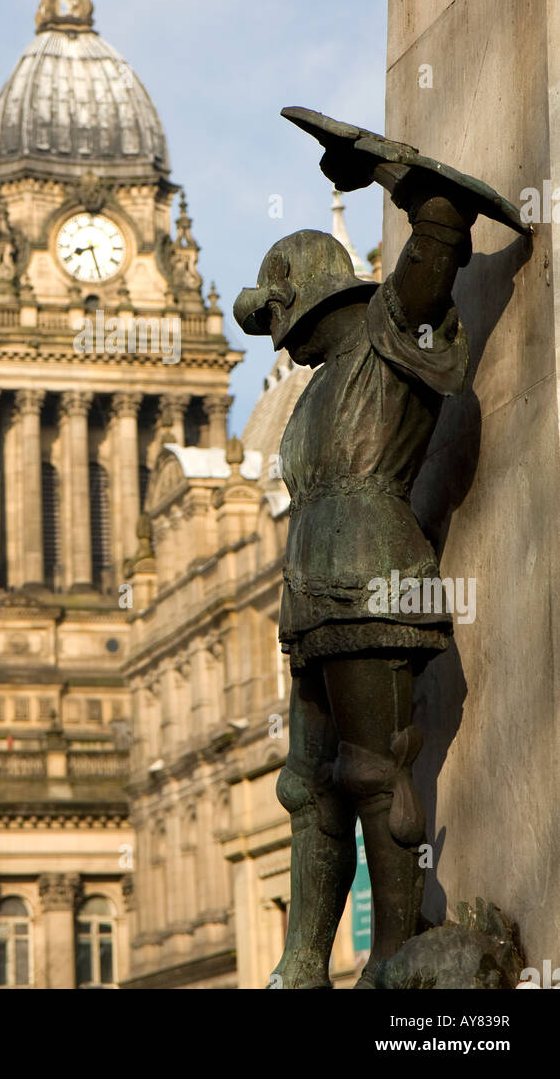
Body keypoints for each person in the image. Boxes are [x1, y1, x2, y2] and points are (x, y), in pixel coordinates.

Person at [234, 107, 526, 989]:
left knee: (372, 770)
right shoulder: (311, 394)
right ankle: (302, 962)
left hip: (376, 578)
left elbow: (434, 261)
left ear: (304, 301)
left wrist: (414, 191)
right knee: (306, 784)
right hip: (314, 596)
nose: (275, 330)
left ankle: (396, 949)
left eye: (277, 310)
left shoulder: (386, 334)